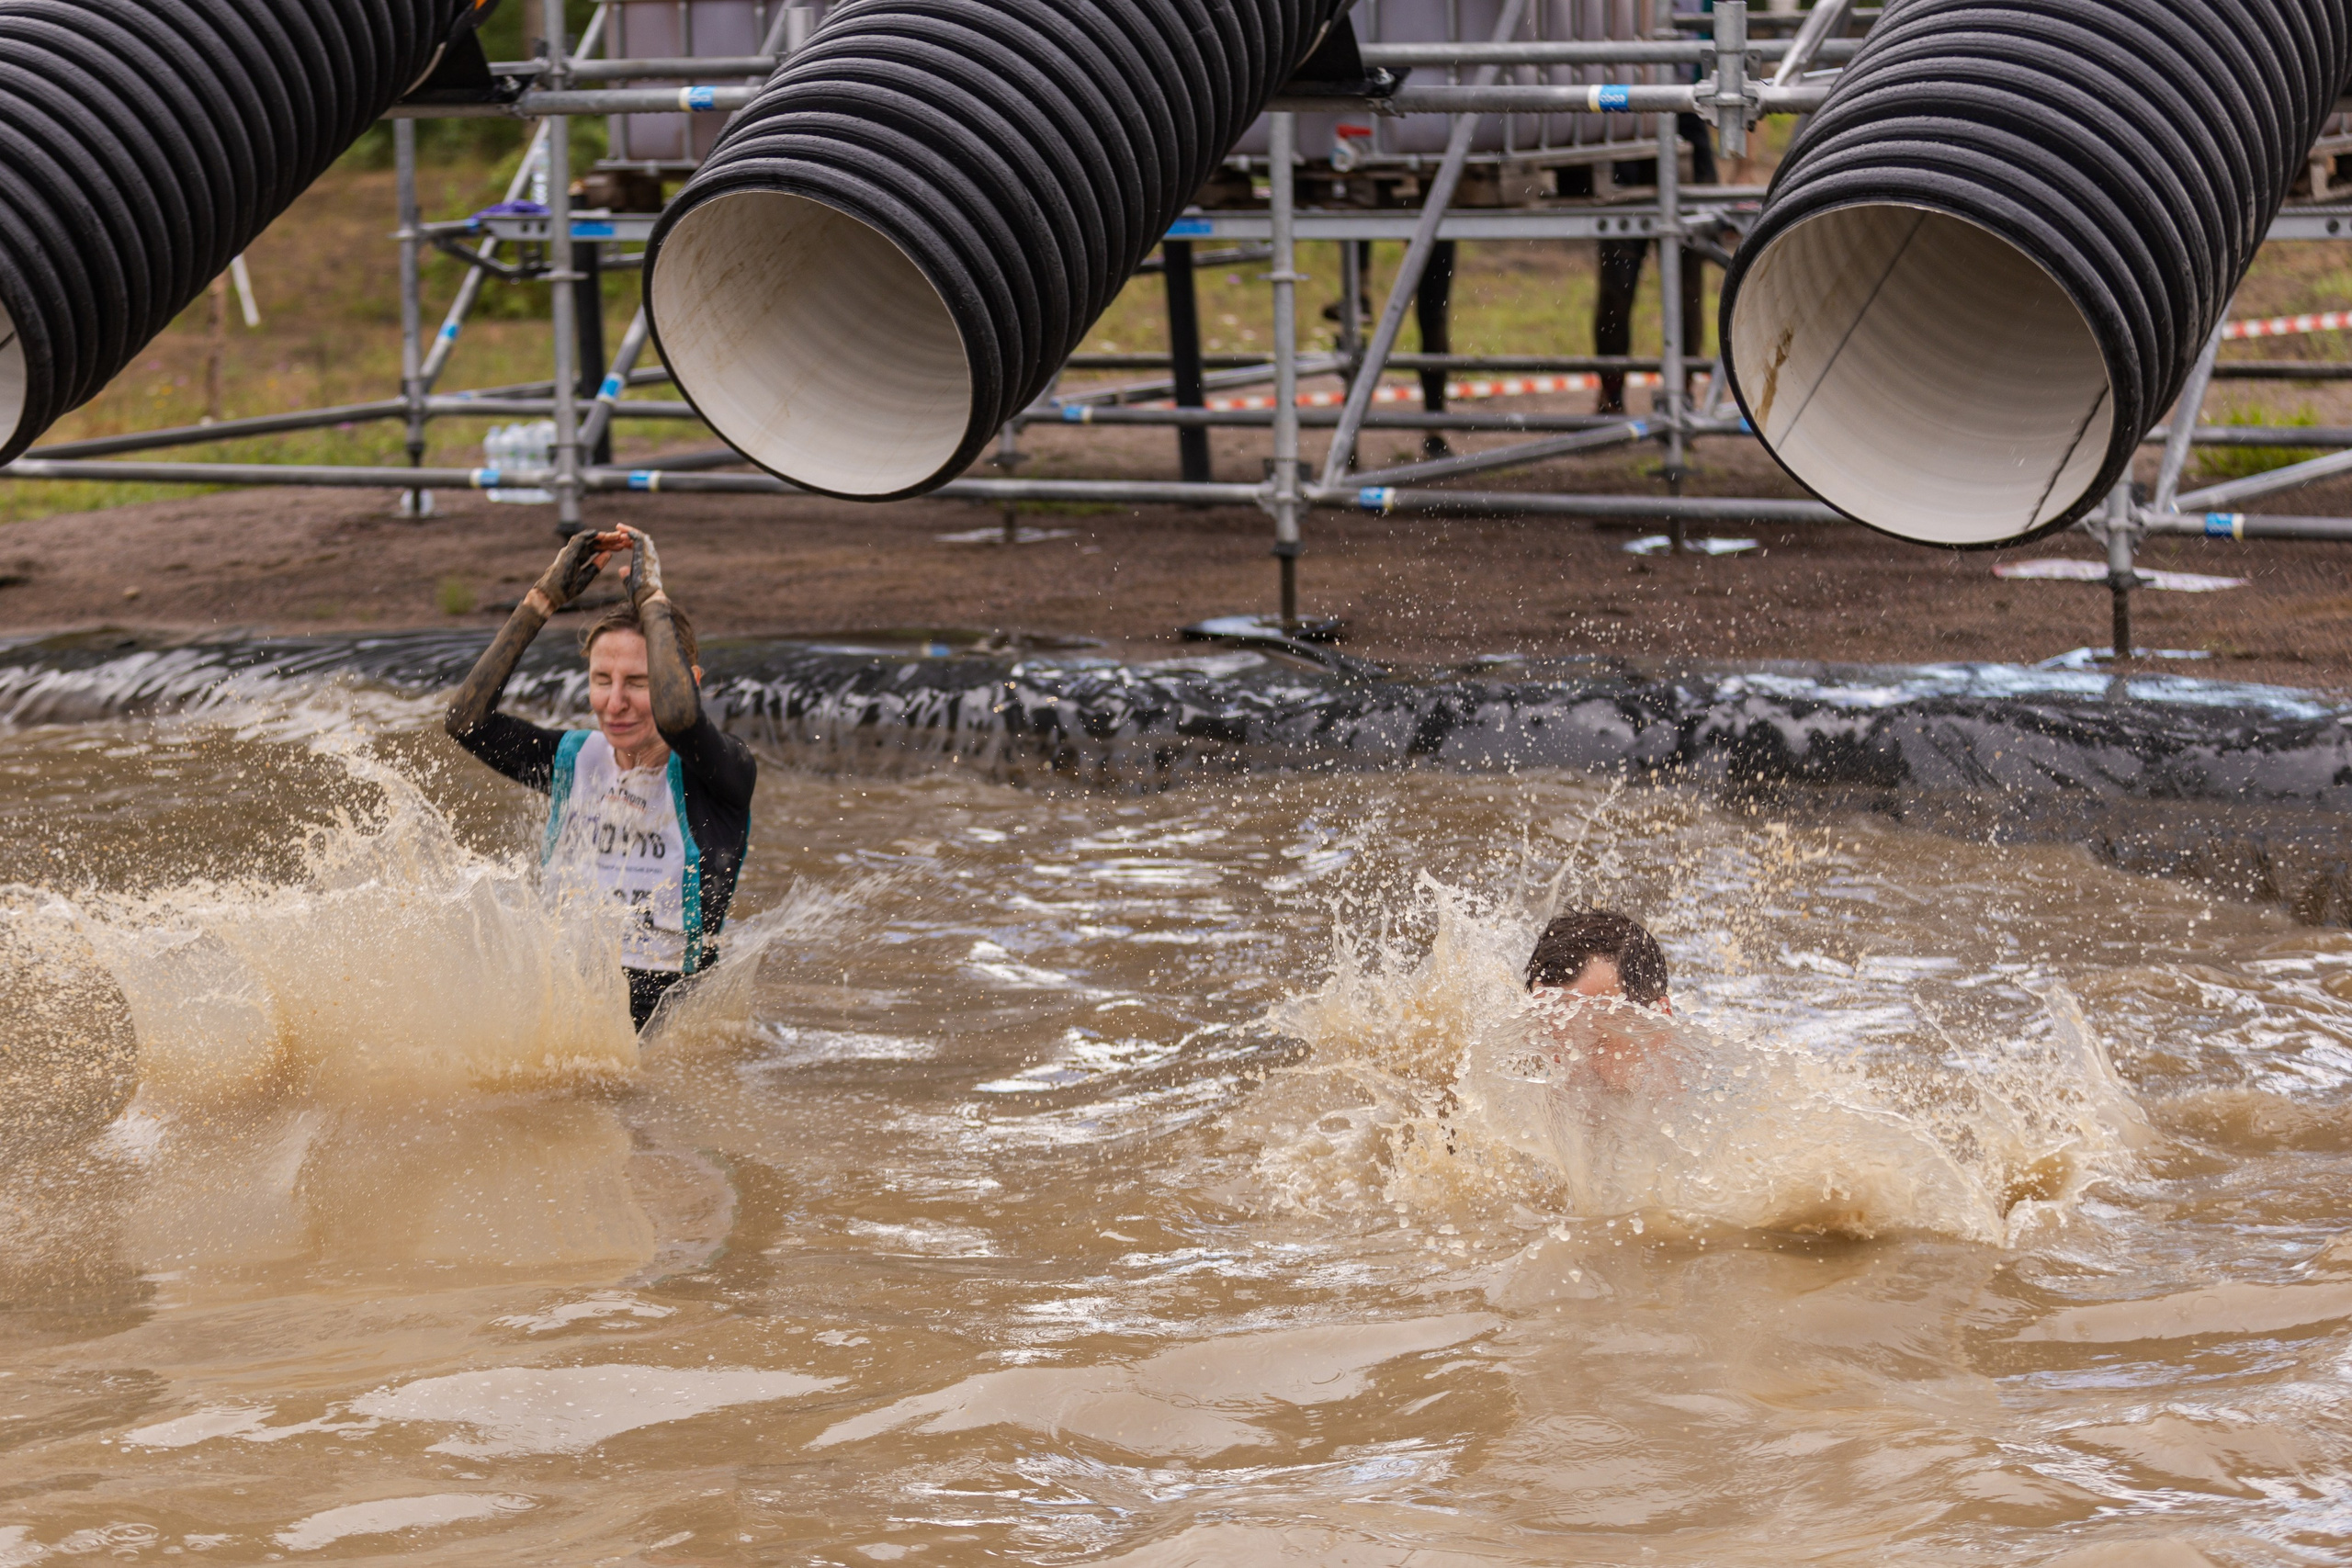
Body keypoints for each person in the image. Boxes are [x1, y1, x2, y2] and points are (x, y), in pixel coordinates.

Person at [444, 525, 756, 1030]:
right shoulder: (575, 759)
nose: (615, 705)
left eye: (639, 683)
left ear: (689, 684)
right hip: (565, 1011)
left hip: (667, 1031)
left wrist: (653, 600)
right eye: (601, 681)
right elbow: (466, 722)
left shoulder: (719, 774)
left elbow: (679, 720)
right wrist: (542, 600)